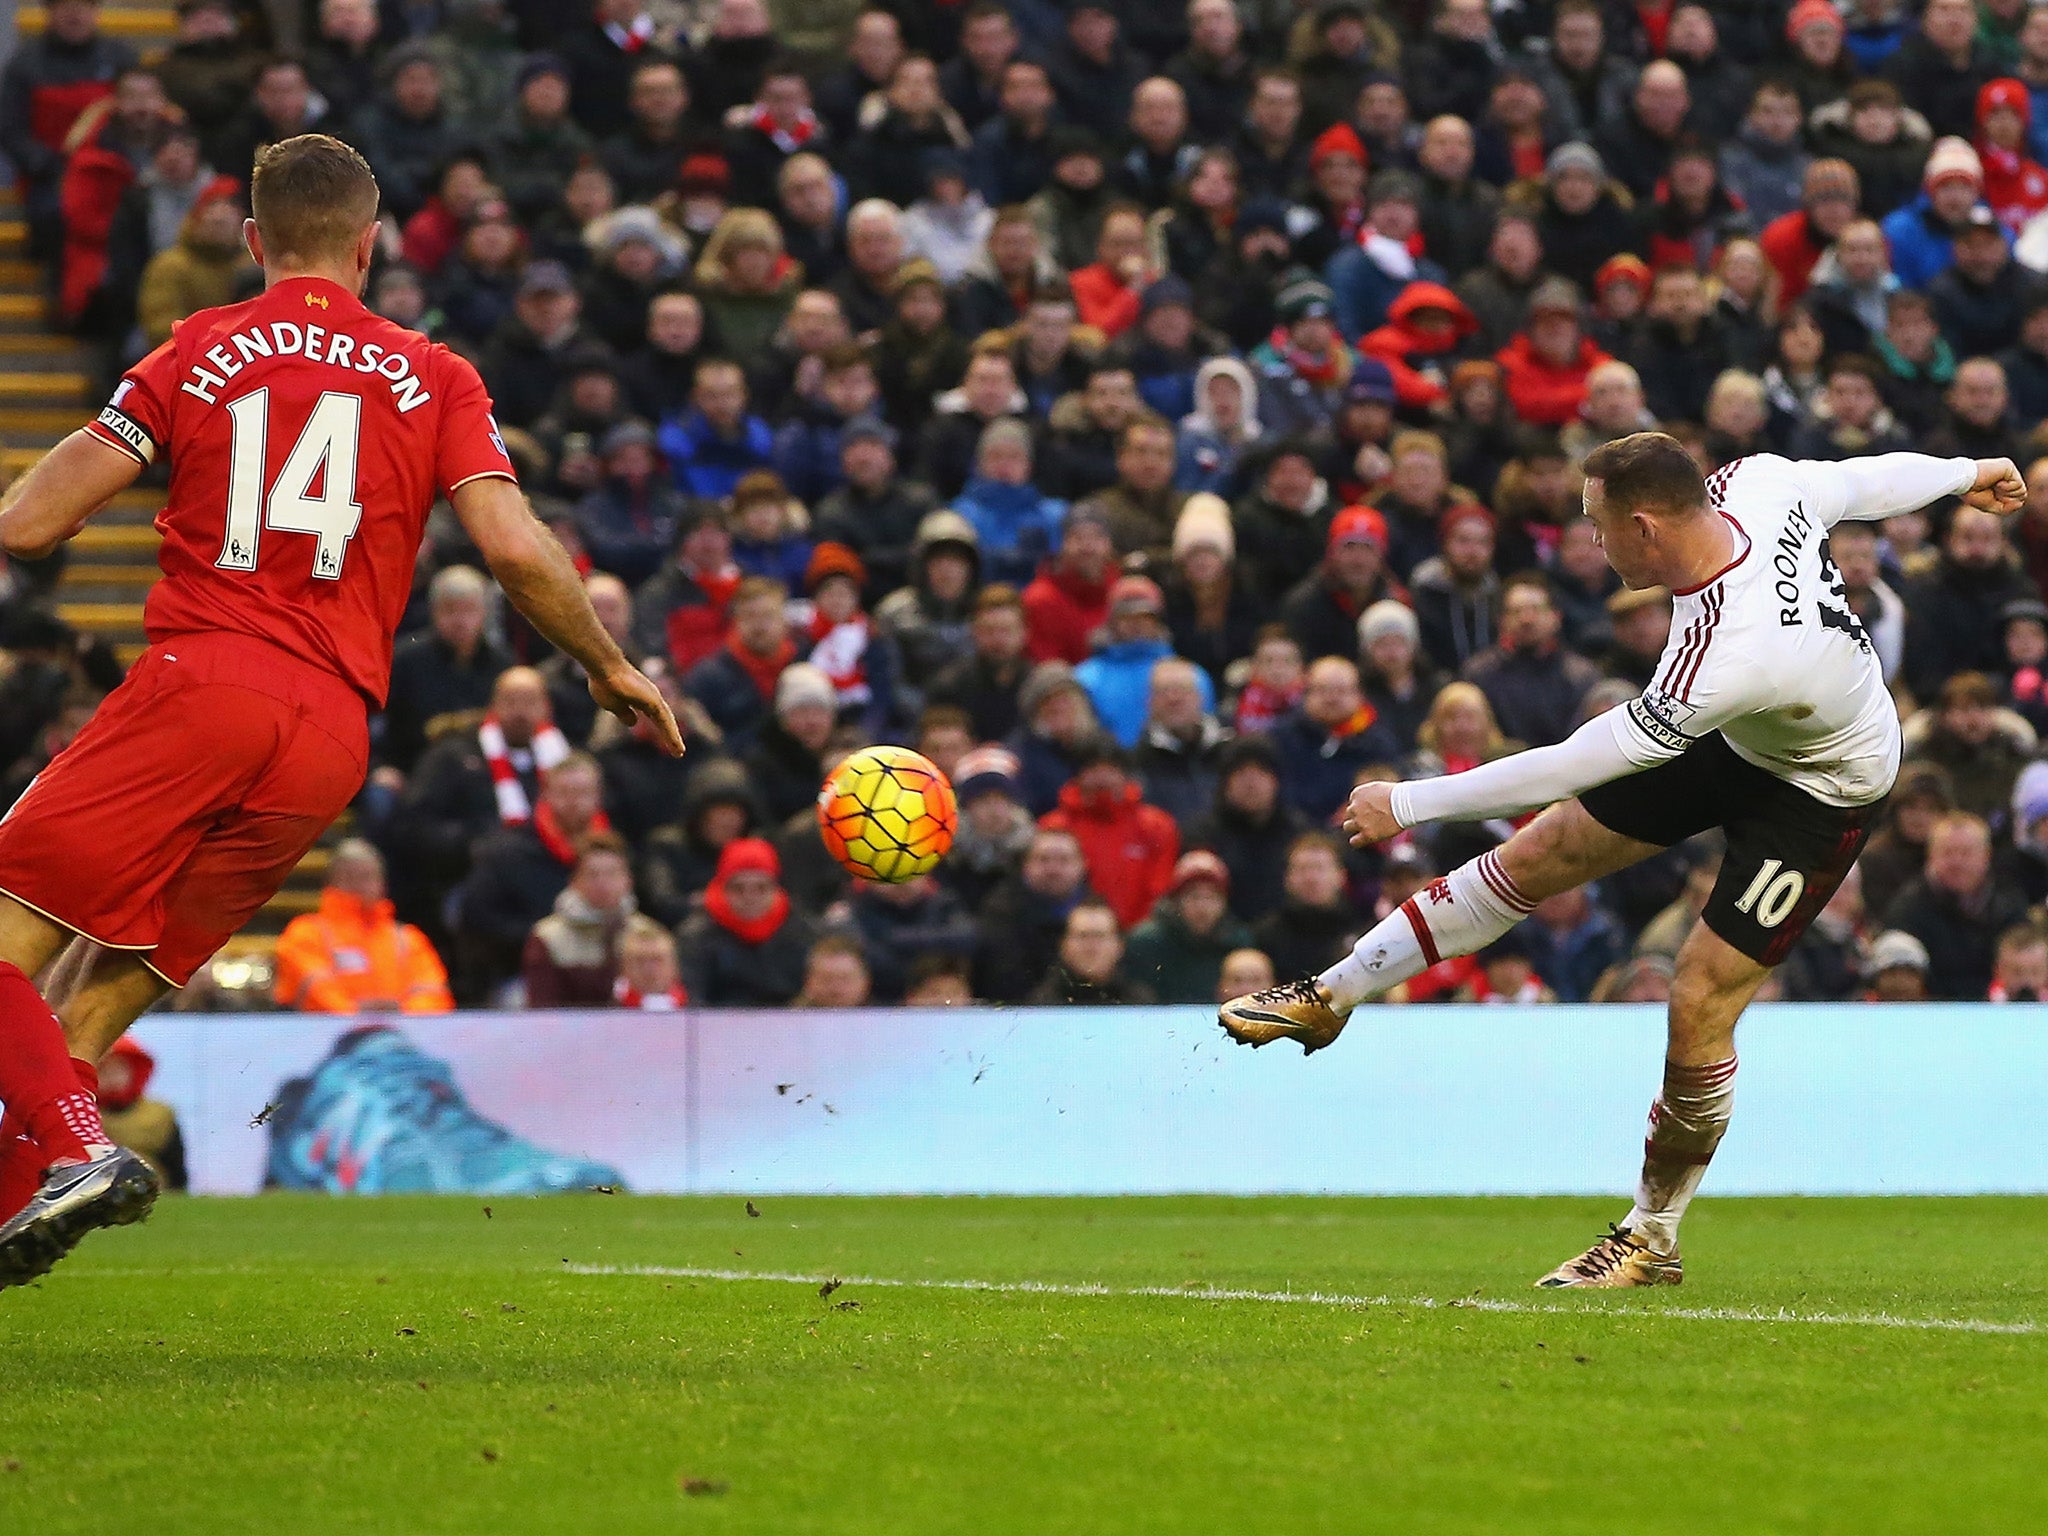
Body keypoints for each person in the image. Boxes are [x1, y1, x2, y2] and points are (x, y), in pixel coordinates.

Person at [0, 135, 679, 1283]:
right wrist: (606, 666)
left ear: (254, 240)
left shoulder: (198, 351)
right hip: (327, 741)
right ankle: (23, 1203)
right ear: (370, 247)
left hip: (204, 684)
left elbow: (29, 525)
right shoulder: (438, 374)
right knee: (68, 1022)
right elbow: (512, 550)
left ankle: (71, 1155)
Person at [1223, 431, 2027, 1289]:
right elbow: (1859, 480)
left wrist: (1410, 800)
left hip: (1825, 787)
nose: (1592, 544)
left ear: (1645, 527)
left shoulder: (1729, 654)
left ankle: (1651, 1237)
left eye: (1598, 526)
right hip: (1752, 735)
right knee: (1546, 851)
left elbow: (1572, 761)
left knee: (1699, 995)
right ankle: (1329, 995)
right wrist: (1965, 472)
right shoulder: (1756, 484)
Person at [272, 840, 453, 1014]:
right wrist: (361, 1018)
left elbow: (434, 995)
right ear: (332, 880)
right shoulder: (306, 933)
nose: (359, 885)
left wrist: (397, 1018)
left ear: (382, 883)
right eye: (349, 876)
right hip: (324, 1041)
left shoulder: (408, 939)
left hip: (400, 1040)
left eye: (367, 876)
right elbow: (315, 994)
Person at [521, 834, 637, 1008]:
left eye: (611, 873)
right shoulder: (547, 937)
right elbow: (542, 1009)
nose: (603, 883)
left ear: (628, 881)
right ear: (575, 882)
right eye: (593, 874)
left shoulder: (648, 935)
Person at [1028, 898, 1155, 1004]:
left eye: (1099, 936)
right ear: (1064, 945)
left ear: (1119, 946)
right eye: (1083, 936)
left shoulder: (1140, 1005)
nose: (1091, 947)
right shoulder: (1041, 1007)